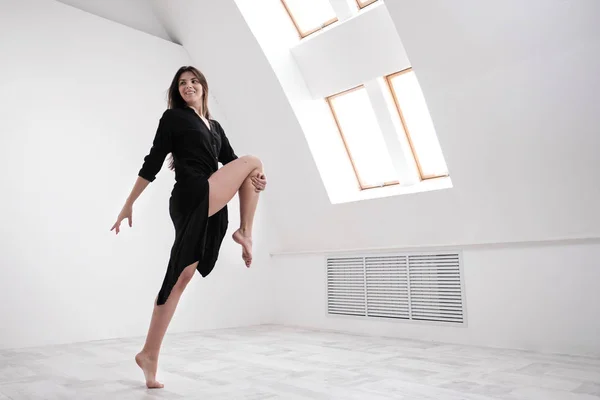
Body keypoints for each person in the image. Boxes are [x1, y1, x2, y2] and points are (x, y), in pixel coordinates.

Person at [110, 66, 266, 389]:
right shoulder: (173, 120)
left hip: (209, 198)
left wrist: (256, 182)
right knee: (254, 160)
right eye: (182, 83)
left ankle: (149, 354)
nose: (188, 86)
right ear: (177, 91)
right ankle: (245, 233)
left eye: (194, 81)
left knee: (180, 277)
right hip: (191, 193)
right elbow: (153, 161)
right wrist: (129, 202)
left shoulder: (216, 129)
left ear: (204, 87)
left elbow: (235, 165)